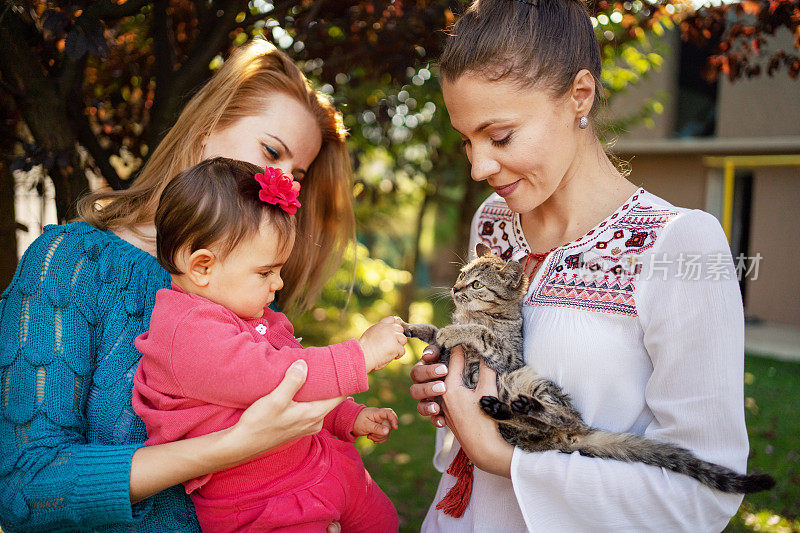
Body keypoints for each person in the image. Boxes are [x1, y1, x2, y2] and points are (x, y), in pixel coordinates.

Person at [409, 0, 749, 530]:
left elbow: (702, 490)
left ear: (579, 95)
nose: (479, 166)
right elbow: (466, 432)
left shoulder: (679, 245)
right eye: (466, 140)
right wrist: (450, 395)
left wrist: (504, 460)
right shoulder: (493, 223)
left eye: (499, 137)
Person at [0, 39, 359, 532]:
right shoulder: (72, 263)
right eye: (271, 151)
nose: (280, 185)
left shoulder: (245, 287)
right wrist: (229, 448)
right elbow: (26, 487)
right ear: (207, 127)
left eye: (296, 175)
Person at [132, 157, 403, 532]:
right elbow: (275, 377)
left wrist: (346, 416)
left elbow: (294, 392)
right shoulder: (187, 332)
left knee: (384, 521)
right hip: (266, 504)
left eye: (279, 270)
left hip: (321, 466)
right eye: (265, 272)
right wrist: (362, 354)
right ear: (202, 268)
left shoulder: (254, 316)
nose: (277, 284)